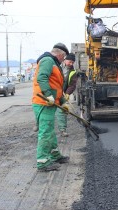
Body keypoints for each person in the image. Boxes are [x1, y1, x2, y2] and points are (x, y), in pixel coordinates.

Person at [32, 43, 70, 172]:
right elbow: (41, 77)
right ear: (60, 54)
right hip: (43, 102)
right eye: (64, 57)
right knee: (46, 132)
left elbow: (57, 86)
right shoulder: (47, 60)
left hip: (50, 103)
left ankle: (55, 155)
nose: (63, 60)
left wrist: (63, 101)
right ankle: (43, 163)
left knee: (50, 132)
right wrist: (48, 95)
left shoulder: (53, 63)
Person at [56, 53, 78, 137]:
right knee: (48, 112)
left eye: (73, 62)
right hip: (53, 92)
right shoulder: (57, 66)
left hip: (63, 94)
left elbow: (72, 85)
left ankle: (62, 130)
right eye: (70, 62)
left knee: (62, 111)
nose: (71, 64)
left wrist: (68, 93)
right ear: (65, 59)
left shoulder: (72, 72)